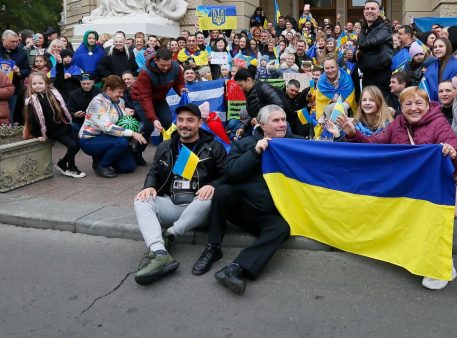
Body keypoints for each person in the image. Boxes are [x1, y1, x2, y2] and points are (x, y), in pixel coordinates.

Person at [338, 86, 457, 290]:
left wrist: (451, 153)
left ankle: (441, 266)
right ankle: (436, 262)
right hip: (406, 188)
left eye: (418, 103)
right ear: (401, 107)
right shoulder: (397, 124)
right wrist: (354, 134)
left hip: (432, 189)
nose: (413, 108)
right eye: (408, 104)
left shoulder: (439, 123)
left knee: (431, 226)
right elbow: (374, 144)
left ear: (427, 105)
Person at [191, 105, 302, 295]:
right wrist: (255, 153)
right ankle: (213, 248)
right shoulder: (245, 143)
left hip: (269, 215)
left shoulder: (297, 143)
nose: (282, 124)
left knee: (281, 229)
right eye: (276, 121)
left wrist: (343, 136)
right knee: (223, 192)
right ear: (262, 125)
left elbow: (323, 156)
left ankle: (236, 268)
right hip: (243, 207)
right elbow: (231, 171)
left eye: (284, 119)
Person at [133, 103, 227, 285]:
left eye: (190, 120)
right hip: (173, 203)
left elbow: (228, 175)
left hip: (201, 209)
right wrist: (149, 186)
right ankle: (160, 254)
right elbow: (153, 171)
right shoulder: (166, 146)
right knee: (141, 201)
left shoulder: (214, 147)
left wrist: (213, 185)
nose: (184, 124)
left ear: (200, 123)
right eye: (181, 120)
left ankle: (170, 234)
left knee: (209, 198)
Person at [78, 75, 146, 177]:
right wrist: (132, 133)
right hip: (90, 140)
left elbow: (117, 117)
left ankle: (104, 156)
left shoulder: (120, 101)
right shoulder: (97, 102)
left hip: (109, 137)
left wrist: (126, 113)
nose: (122, 95)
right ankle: (102, 166)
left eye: (123, 92)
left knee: (128, 167)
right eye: (119, 92)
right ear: (109, 90)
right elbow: (108, 127)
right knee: (122, 142)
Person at [23, 72, 85, 178]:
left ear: (46, 83)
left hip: (63, 124)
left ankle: (62, 164)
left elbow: (62, 108)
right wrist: (38, 134)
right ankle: (71, 167)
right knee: (72, 145)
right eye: (34, 84)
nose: (37, 86)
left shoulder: (53, 93)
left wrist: (70, 116)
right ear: (31, 86)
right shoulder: (32, 101)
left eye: (40, 83)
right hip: (52, 130)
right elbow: (32, 120)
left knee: (77, 144)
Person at [131, 48, 186, 145]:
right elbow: (145, 97)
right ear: (156, 61)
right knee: (149, 126)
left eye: (168, 65)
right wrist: (154, 119)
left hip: (159, 99)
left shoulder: (176, 67)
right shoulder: (145, 73)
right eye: (162, 65)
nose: (166, 68)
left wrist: (181, 90)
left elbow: (179, 83)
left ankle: (164, 149)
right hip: (141, 99)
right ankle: (137, 150)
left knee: (168, 123)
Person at [356, 0, 393, 97]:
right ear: (364, 12)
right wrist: (352, 55)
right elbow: (359, 51)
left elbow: (375, 41)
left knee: (381, 107)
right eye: (367, 8)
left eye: (373, 9)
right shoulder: (363, 30)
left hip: (381, 76)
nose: (369, 11)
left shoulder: (385, 26)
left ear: (378, 13)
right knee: (367, 107)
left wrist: (360, 48)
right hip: (366, 76)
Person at [1, 30, 31, 124]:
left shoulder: (21, 52)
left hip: (13, 88)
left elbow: (27, 69)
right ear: (3, 40)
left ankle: (8, 132)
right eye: (12, 42)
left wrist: (19, 72)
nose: (15, 44)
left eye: (16, 41)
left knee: (10, 113)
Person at [423, 37, 457, 101]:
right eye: (435, 47)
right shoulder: (432, 64)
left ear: (448, 47)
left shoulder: (455, 66)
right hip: (431, 102)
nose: (437, 49)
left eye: (440, 46)